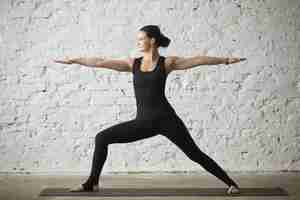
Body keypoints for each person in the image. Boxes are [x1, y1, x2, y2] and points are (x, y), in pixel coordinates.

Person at [54, 25, 246, 195]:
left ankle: (231, 183)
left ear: (152, 40)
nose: (137, 42)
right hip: (143, 123)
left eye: (140, 39)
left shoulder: (167, 63)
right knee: (102, 138)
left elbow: (197, 60)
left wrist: (226, 60)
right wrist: (75, 60)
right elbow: (100, 61)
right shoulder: (133, 64)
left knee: (194, 154)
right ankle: (92, 183)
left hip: (167, 120)